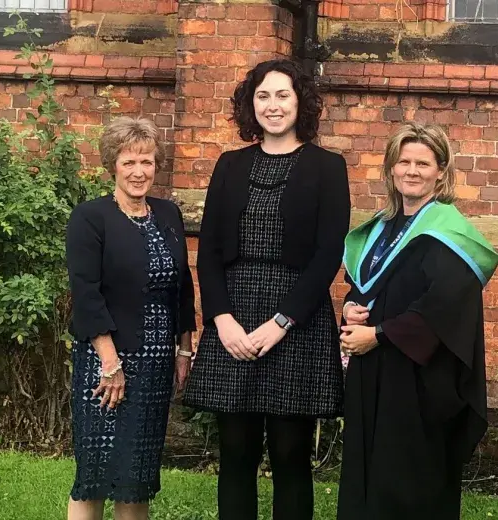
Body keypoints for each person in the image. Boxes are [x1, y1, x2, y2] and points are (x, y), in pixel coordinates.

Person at [183, 58, 350, 520]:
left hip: (296, 316)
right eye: (262, 96)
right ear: (249, 104)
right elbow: (210, 250)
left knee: (290, 454)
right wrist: (221, 320)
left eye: (282, 95)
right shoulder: (230, 165)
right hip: (233, 314)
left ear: (301, 102)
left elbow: (327, 256)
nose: (272, 106)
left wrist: (281, 324)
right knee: (235, 453)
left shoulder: (328, 167)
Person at [336, 122, 498, 520]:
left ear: (441, 171)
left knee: (408, 477)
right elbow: (369, 286)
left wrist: (377, 334)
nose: (412, 171)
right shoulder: (380, 228)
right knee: (366, 470)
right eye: (404, 161)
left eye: (423, 163)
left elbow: (444, 305)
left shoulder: (449, 231)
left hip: (419, 379)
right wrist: (350, 307)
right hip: (371, 371)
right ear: (391, 169)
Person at [65, 117, 196, 520]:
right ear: (113, 166)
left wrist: (184, 349)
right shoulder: (91, 217)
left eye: (147, 161)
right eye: (129, 162)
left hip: (156, 364)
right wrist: (109, 362)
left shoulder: (168, 214)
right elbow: (86, 293)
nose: (139, 171)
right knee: (96, 472)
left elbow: (183, 286)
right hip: (106, 363)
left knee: (136, 475)